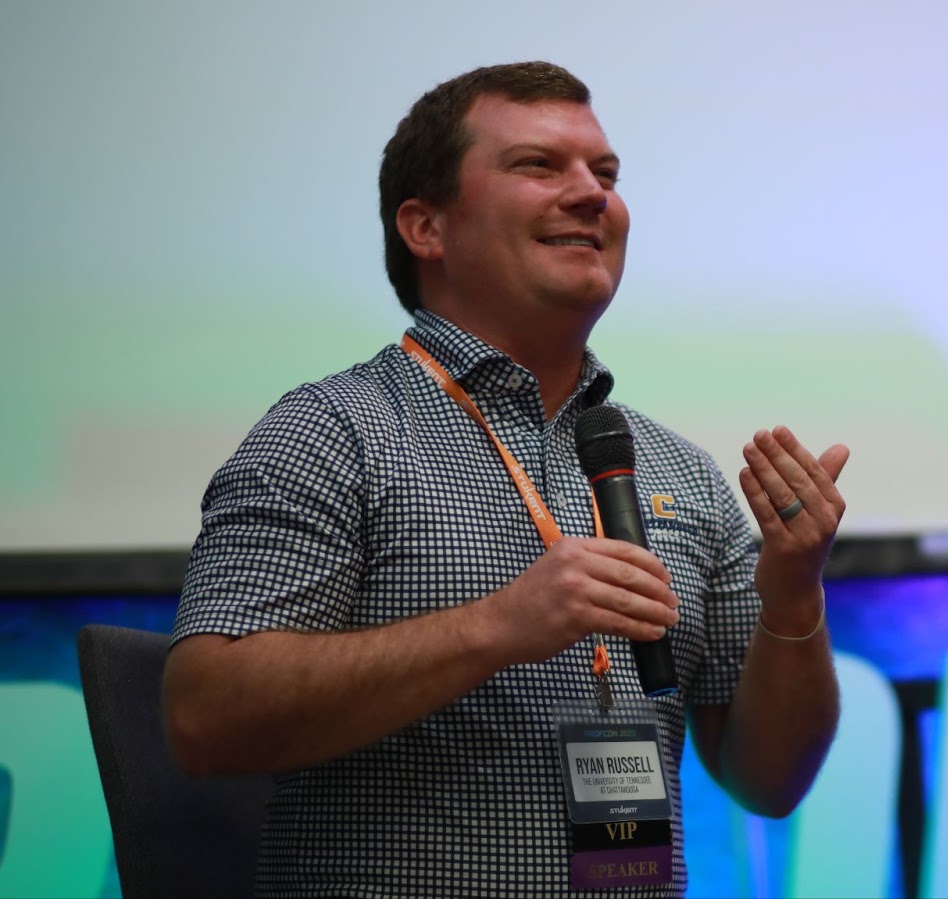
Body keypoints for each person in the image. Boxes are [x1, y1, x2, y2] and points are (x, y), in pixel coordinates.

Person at [162, 61, 846, 898]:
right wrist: (501, 624)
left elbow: (771, 779)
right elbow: (204, 716)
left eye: (606, 173)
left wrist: (795, 593)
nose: (593, 194)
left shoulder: (680, 473)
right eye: (539, 166)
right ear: (426, 227)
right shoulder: (334, 432)